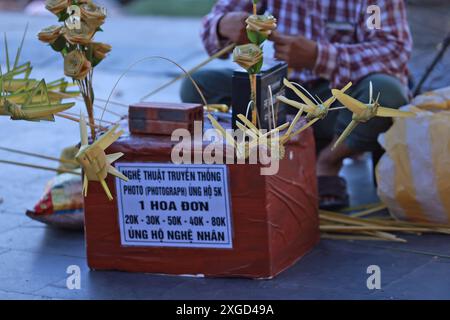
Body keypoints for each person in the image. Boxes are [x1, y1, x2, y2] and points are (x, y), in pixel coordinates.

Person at [180, 0, 412, 209]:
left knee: (385, 94)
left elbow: (393, 50)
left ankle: (329, 160)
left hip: (343, 100)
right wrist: (223, 24)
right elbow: (213, 23)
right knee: (196, 86)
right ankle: (265, 158)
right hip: (286, 96)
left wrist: (318, 56)